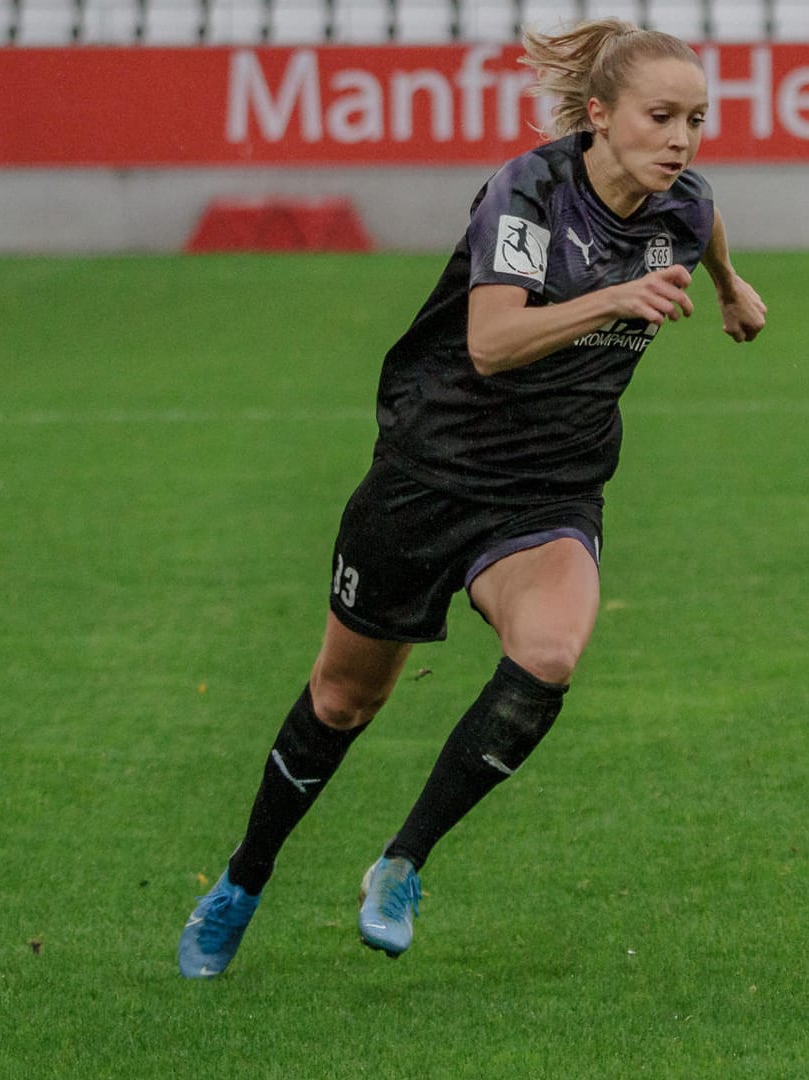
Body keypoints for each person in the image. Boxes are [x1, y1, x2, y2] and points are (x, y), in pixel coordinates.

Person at [176, 19, 767, 978]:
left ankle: (401, 863)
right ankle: (243, 879)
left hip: (551, 490)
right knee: (344, 698)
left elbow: (701, 226)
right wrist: (615, 299)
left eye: (696, 119)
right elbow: (492, 344)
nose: (682, 139)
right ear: (598, 116)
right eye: (661, 118)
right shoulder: (528, 191)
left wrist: (734, 288)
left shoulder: (683, 203)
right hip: (430, 473)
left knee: (548, 656)